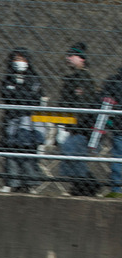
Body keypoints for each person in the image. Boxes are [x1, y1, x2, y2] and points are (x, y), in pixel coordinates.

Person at [0, 48, 45, 193]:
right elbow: (6, 95)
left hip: (29, 121)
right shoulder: (8, 78)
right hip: (11, 119)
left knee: (28, 151)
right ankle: (11, 182)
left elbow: (33, 97)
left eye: (22, 59)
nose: (20, 62)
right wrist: (19, 92)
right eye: (17, 59)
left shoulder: (34, 78)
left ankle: (30, 183)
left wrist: (18, 92)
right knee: (11, 150)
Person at [57, 42, 98, 196]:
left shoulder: (85, 79)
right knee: (70, 158)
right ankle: (83, 187)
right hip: (70, 126)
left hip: (80, 128)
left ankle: (88, 186)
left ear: (82, 59)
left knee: (74, 157)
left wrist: (71, 123)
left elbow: (83, 106)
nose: (68, 58)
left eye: (72, 56)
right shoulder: (71, 79)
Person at [99, 64, 122, 194]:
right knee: (118, 159)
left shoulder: (113, 81)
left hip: (118, 126)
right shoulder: (114, 81)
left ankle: (116, 190)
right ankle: (116, 190)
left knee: (117, 159)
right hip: (119, 127)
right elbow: (104, 100)